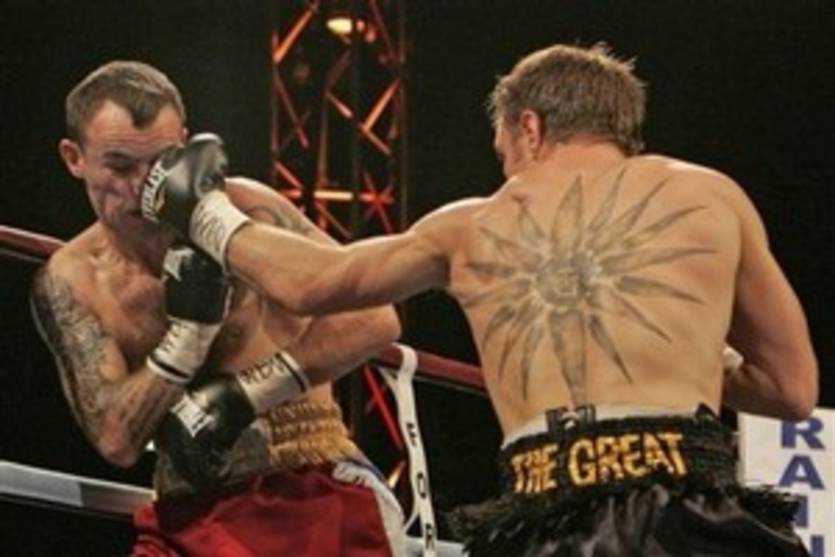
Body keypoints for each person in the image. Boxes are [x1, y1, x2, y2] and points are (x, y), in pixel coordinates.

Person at [142, 43, 820, 556]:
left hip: (553, 514)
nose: (508, 173)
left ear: (529, 127)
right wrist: (689, 355)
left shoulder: (473, 224)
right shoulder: (714, 197)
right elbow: (791, 389)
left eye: (504, 154)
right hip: (696, 506)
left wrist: (203, 211)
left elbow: (315, 282)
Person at [29, 60, 407, 557]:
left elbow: (376, 316)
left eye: (160, 162)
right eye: (119, 167)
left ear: (185, 145)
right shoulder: (71, 278)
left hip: (310, 488)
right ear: (74, 157)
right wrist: (188, 337)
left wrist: (246, 395)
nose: (143, 188)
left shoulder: (245, 212)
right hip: (184, 513)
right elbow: (116, 440)